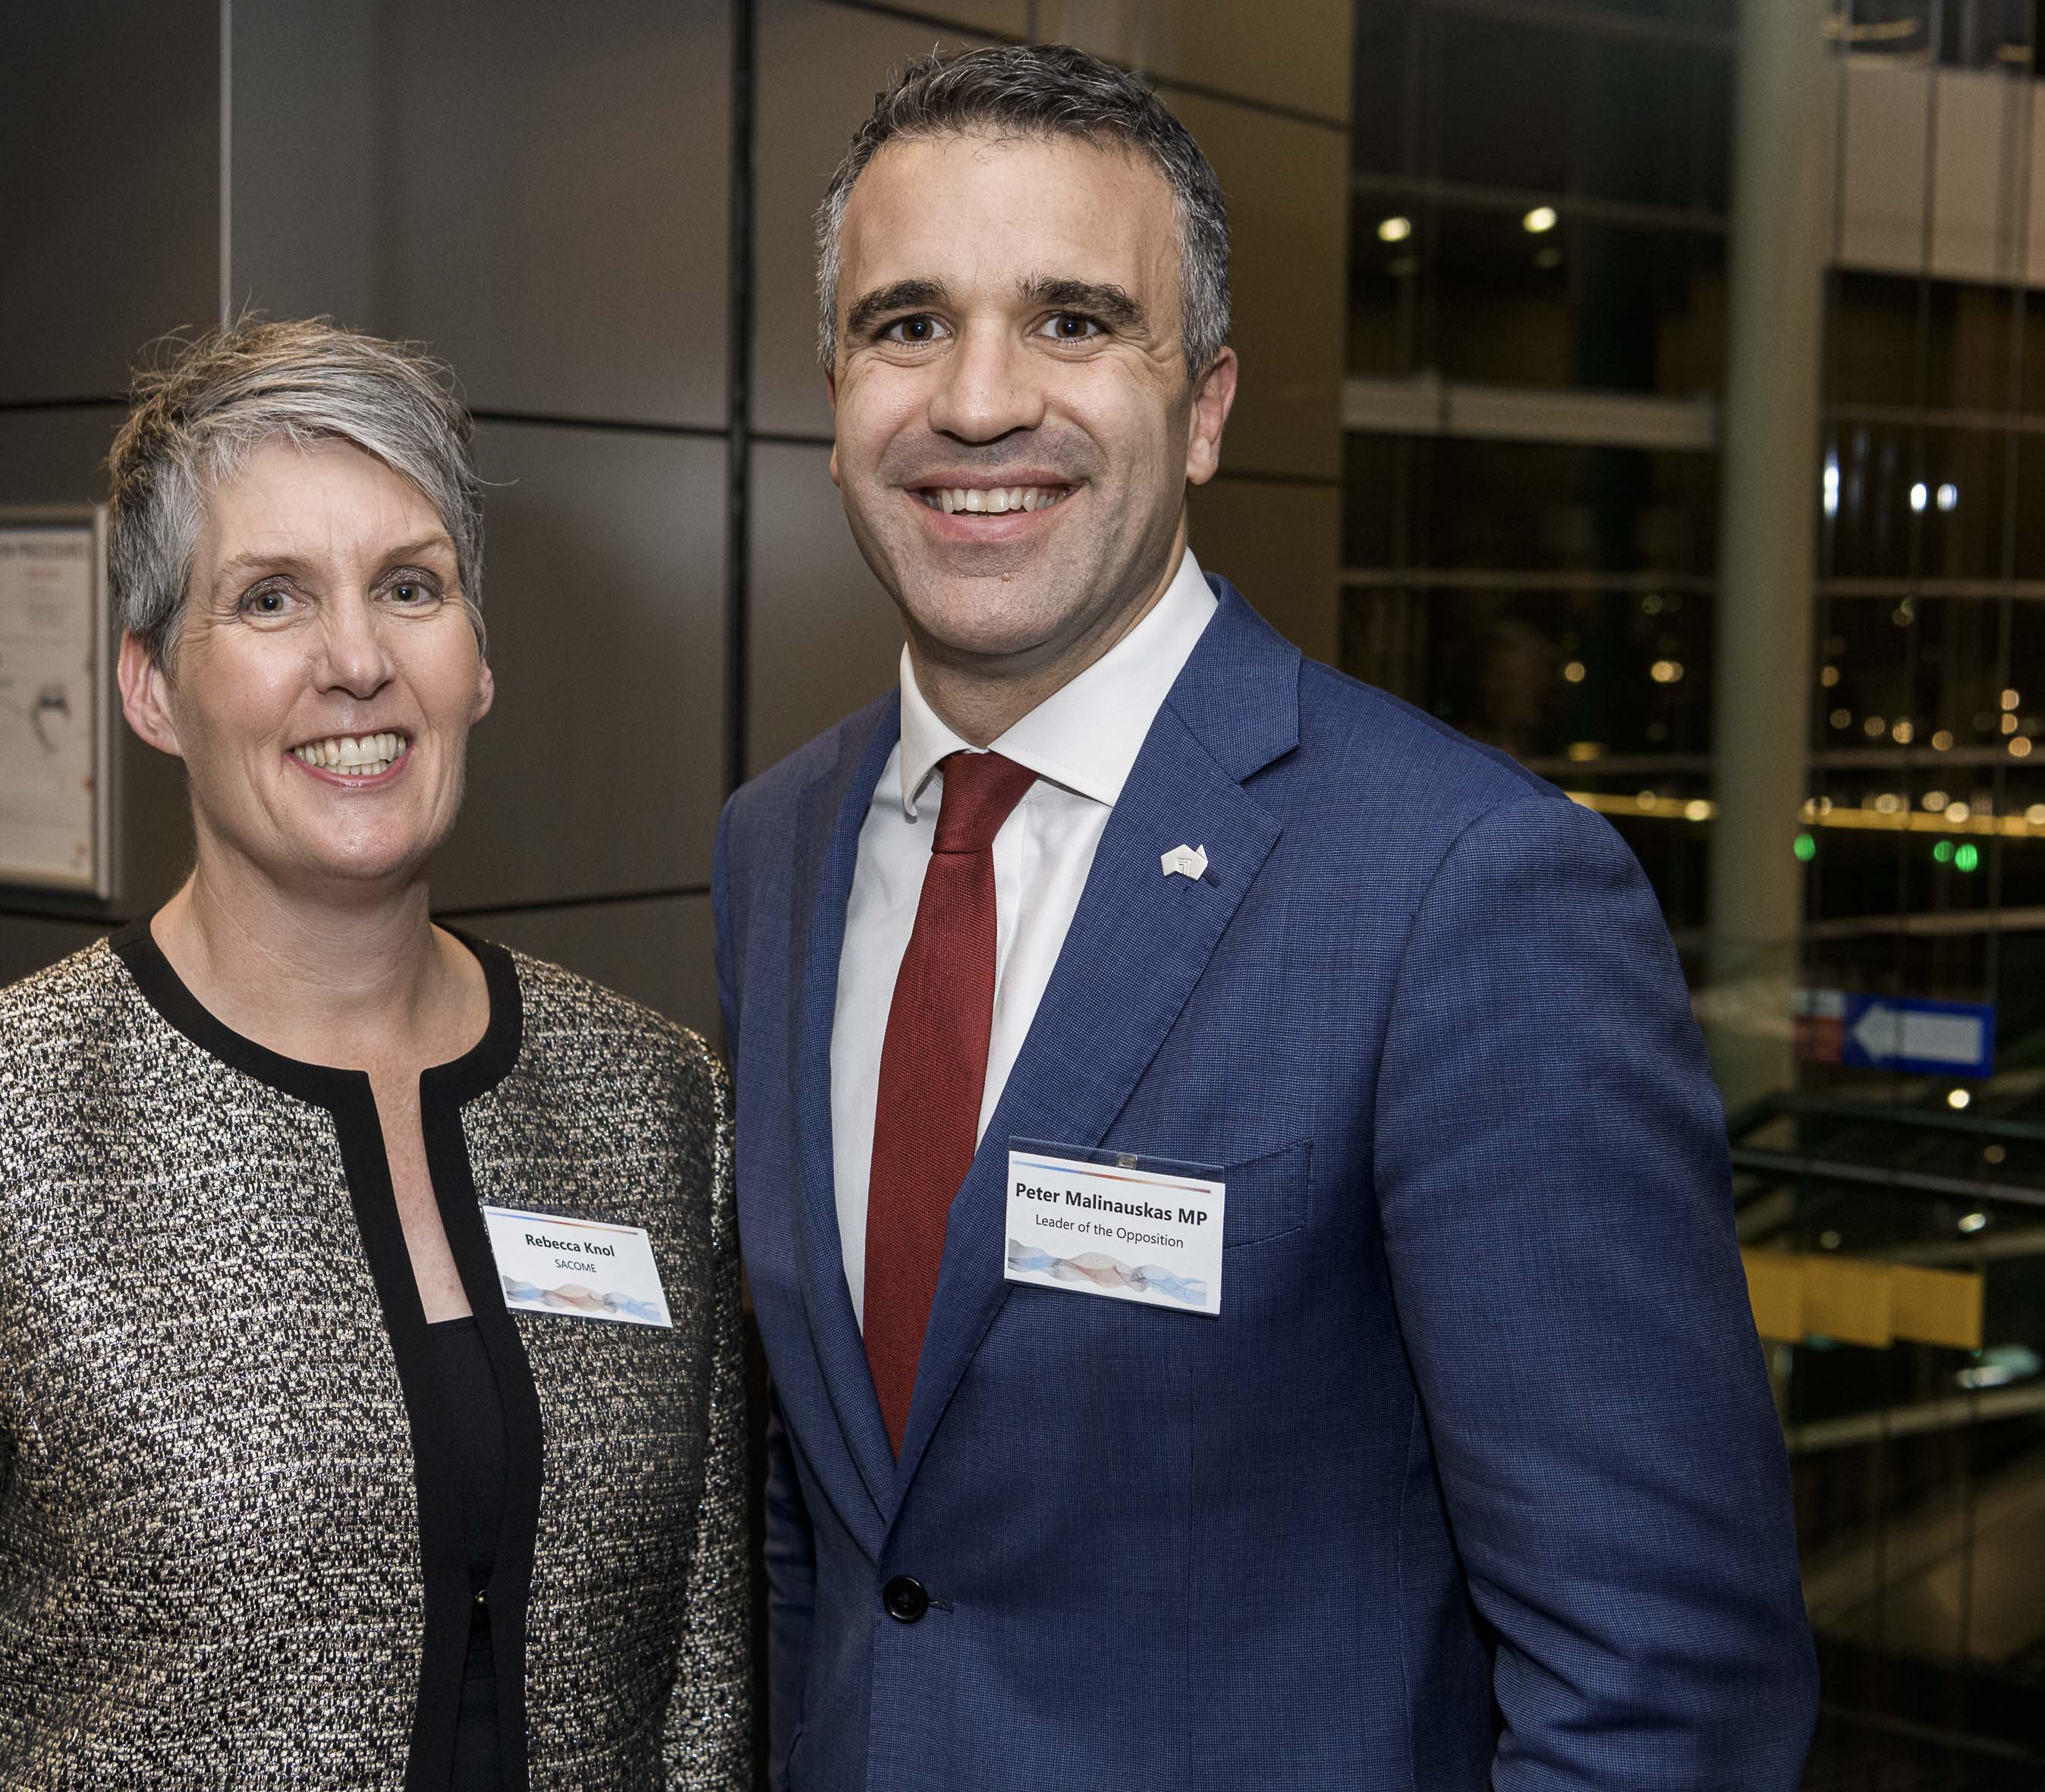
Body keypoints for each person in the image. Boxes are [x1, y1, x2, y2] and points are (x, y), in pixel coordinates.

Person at [712, 45, 1816, 1788]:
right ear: (834, 392)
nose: (976, 400)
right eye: (906, 324)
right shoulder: (774, 845)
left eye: (1072, 320)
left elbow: (1660, 1685)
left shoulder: (1464, 889)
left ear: (1206, 405)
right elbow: (832, 1520)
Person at [0, 318, 749, 1791]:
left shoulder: (655, 1102)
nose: (356, 661)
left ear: (476, 661)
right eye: (270, 598)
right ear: (149, 686)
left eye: (410, 587)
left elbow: (700, 1702)